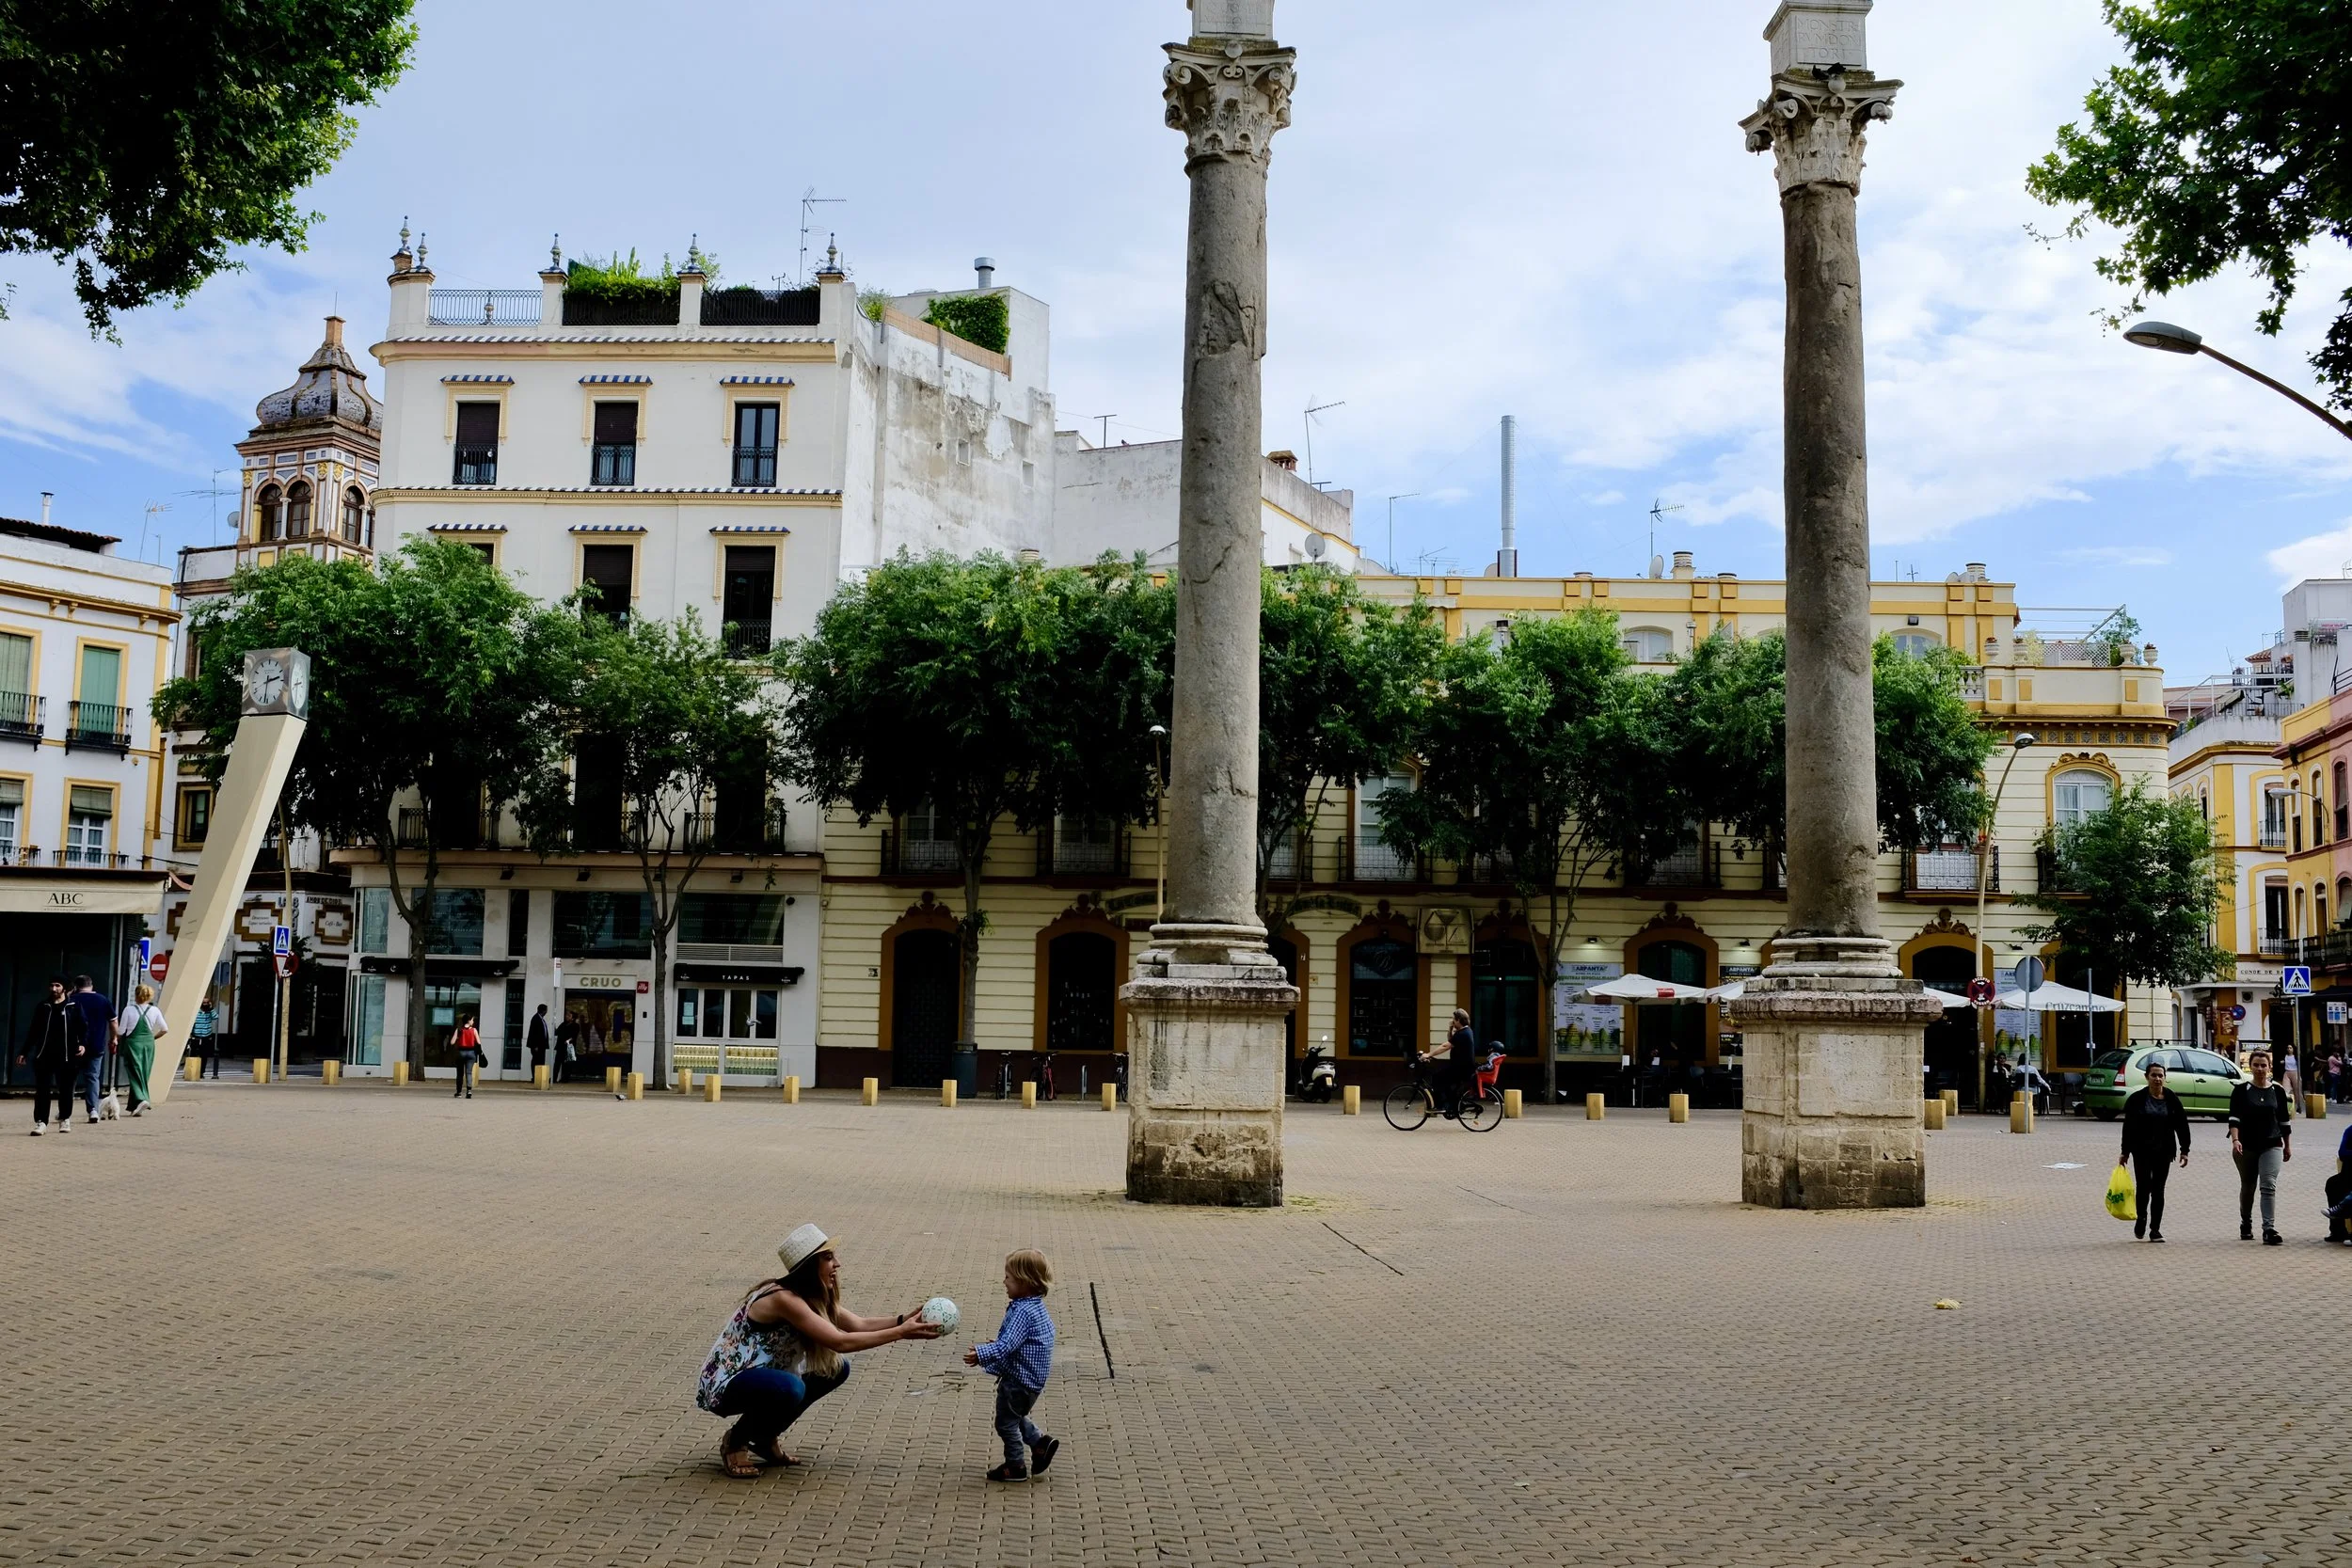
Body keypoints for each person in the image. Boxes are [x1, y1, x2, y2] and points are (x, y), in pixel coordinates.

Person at [694, 1224, 942, 1479]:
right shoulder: (784, 1300)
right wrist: (901, 1334)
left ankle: (764, 1437)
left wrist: (903, 1319)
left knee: (836, 1369)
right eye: (828, 1258)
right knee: (791, 1388)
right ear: (809, 1266)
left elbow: (858, 1324)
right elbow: (840, 1341)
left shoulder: (810, 1296)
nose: (837, 1264)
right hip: (728, 1382)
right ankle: (735, 1441)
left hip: (764, 1376)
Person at [964, 1248, 1059, 1482]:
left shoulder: (1023, 1312)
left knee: (1005, 1424)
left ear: (1025, 1282)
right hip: (1031, 1381)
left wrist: (982, 1353)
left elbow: (1007, 1346)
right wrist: (999, 1346)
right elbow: (1020, 1343)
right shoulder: (1035, 1307)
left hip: (1019, 1382)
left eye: (1008, 1277)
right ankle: (1039, 1443)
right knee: (1013, 1416)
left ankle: (1015, 1465)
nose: (1004, 1282)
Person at [2116, 1057, 2191, 1242]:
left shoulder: (2171, 1098)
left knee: (2158, 1189)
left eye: (2160, 1076)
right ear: (2146, 1077)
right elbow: (2129, 1127)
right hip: (2141, 1150)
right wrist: (2125, 1152)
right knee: (2143, 1187)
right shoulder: (2137, 1099)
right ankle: (2141, 1218)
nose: (2157, 1079)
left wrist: (2185, 1149)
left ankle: (2155, 1229)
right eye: (2153, 1075)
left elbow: (2182, 1124)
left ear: (2165, 1078)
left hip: (2164, 1151)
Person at [2229, 1047, 2295, 1244]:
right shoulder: (2241, 1091)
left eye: (2263, 1065)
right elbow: (2234, 1119)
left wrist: (2287, 1145)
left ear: (2269, 1067)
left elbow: (2284, 1121)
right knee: (2248, 1187)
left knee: (2268, 1185)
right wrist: (2236, 1140)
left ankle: (2269, 1229)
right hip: (2246, 1145)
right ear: (2250, 1067)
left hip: (2272, 1143)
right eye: (2256, 1065)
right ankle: (2246, 1222)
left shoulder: (2278, 1091)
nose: (2259, 1069)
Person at [19, 979, 87, 1134]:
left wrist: (82, 1043)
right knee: (42, 1089)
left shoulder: (73, 1007)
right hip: (45, 1054)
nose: (54, 989)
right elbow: (33, 1031)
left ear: (64, 988)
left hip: (68, 1055)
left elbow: (83, 1027)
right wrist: (24, 1052)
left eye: (57, 985)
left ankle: (64, 1118)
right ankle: (41, 1122)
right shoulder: (43, 1007)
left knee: (66, 1089)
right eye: (51, 985)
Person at [115, 984, 168, 1117]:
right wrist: (152, 1038)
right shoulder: (155, 1010)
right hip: (149, 1044)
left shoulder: (129, 1010)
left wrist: (114, 1038)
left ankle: (142, 1099)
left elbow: (121, 1031)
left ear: (136, 995)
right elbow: (164, 1029)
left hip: (133, 1044)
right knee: (143, 1073)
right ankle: (134, 1107)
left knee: (133, 1072)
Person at [70, 974, 113, 1123]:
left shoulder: (72, 1000)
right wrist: (113, 1039)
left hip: (73, 1046)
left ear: (76, 987)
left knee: (70, 1078)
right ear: (91, 985)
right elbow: (113, 1021)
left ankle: (66, 1111)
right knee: (93, 1078)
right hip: (96, 1045)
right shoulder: (103, 1000)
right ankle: (93, 1110)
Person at [1418, 1008, 1475, 1118]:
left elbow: (1446, 1045)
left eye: (1454, 1019)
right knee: (1446, 1083)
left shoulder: (1463, 1033)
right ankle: (1452, 1104)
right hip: (1461, 1067)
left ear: (1458, 1020)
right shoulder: (1466, 1031)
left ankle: (1440, 1106)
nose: (1452, 1021)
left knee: (1437, 1078)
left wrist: (1429, 1054)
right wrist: (1450, 1029)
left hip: (1461, 1069)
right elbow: (1452, 1040)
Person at [2323, 1119, 2352, 1245]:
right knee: (2333, 1184)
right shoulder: (2350, 1130)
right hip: (2349, 1174)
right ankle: (2338, 1231)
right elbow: (2342, 1153)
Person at [451, 1013, 484, 1099]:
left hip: (461, 1053)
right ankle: (469, 1091)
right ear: (469, 1021)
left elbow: (452, 1042)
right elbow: (479, 1043)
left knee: (460, 1073)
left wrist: (458, 1039)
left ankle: (459, 1092)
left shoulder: (459, 1030)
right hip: (471, 1053)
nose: (473, 1021)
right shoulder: (474, 1030)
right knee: (469, 1072)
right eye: (472, 1020)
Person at [191, 997, 220, 1078]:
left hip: (206, 1037)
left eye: (207, 1003)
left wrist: (211, 1008)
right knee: (193, 1054)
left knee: (204, 1056)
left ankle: (201, 1072)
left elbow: (216, 1017)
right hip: (196, 1036)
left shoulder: (210, 1012)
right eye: (204, 1002)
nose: (205, 1004)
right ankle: (192, 1071)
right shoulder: (197, 1012)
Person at [552, 1010, 579, 1083]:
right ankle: (554, 1078)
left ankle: (565, 1079)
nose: (566, 1017)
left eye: (569, 1016)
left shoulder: (575, 1026)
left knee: (567, 1064)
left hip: (568, 1047)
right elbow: (557, 1032)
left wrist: (567, 1041)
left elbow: (574, 1036)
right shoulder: (563, 1024)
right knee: (557, 1063)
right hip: (560, 1047)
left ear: (573, 1018)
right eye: (566, 1015)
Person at [526, 1004, 549, 1075]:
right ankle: (535, 1076)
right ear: (544, 1011)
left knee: (541, 1061)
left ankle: (539, 1076)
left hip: (542, 1045)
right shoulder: (536, 1019)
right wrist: (535, 1045)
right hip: (537, 1046)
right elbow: (533, 1033)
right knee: (536, 1060)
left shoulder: (541, 1019)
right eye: (546, 1010)